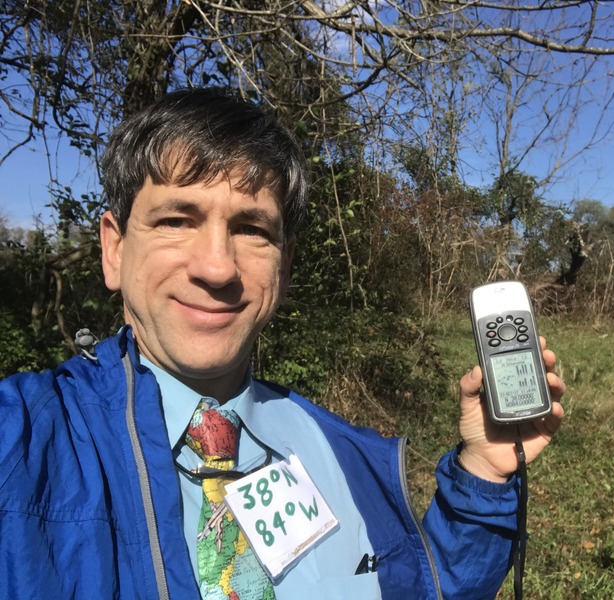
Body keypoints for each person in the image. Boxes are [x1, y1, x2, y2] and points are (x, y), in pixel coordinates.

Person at [0, 88, 565, 600]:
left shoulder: (342, 453)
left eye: (251, 229)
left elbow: (424, 591)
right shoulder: (21, 445)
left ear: (285, 264)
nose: (217, 267)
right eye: (176, 219)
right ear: (115, 250)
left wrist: (485, 474)